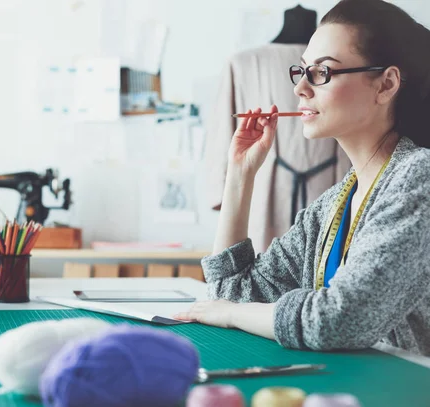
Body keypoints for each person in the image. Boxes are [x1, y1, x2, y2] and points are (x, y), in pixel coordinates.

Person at [174, 0, 430, 357]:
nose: (300, 89)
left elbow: (340, 320)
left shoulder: (418, 179)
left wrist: (232, 314)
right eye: (302, 71)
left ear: (386, 84)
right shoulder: (332, 205)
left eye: (322, 72)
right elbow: (231, 295)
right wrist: (240, 176)